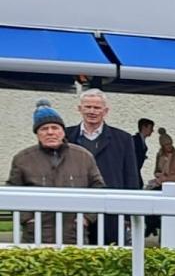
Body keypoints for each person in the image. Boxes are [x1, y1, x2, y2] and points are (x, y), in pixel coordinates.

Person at [7, 99, 104, 245]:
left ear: (63, 131)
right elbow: (12, 192)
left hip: (74, 235)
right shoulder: (23, 159)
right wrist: (27, 219)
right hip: (36, 236)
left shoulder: (83, 156)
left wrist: (86, 218)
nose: (50, 132)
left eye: (55, 128)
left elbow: (98, 189)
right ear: (37, 133)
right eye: (44, 129)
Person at [66, 89, 139, 244]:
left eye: (97, 108)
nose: (92, 111)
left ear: (105, 111)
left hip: (111, 211)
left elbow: (131, 177)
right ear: (79, 109)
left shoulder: (123, 139)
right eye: (88, 107)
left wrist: (128, 214)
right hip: (74, 209)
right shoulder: (65, 137)